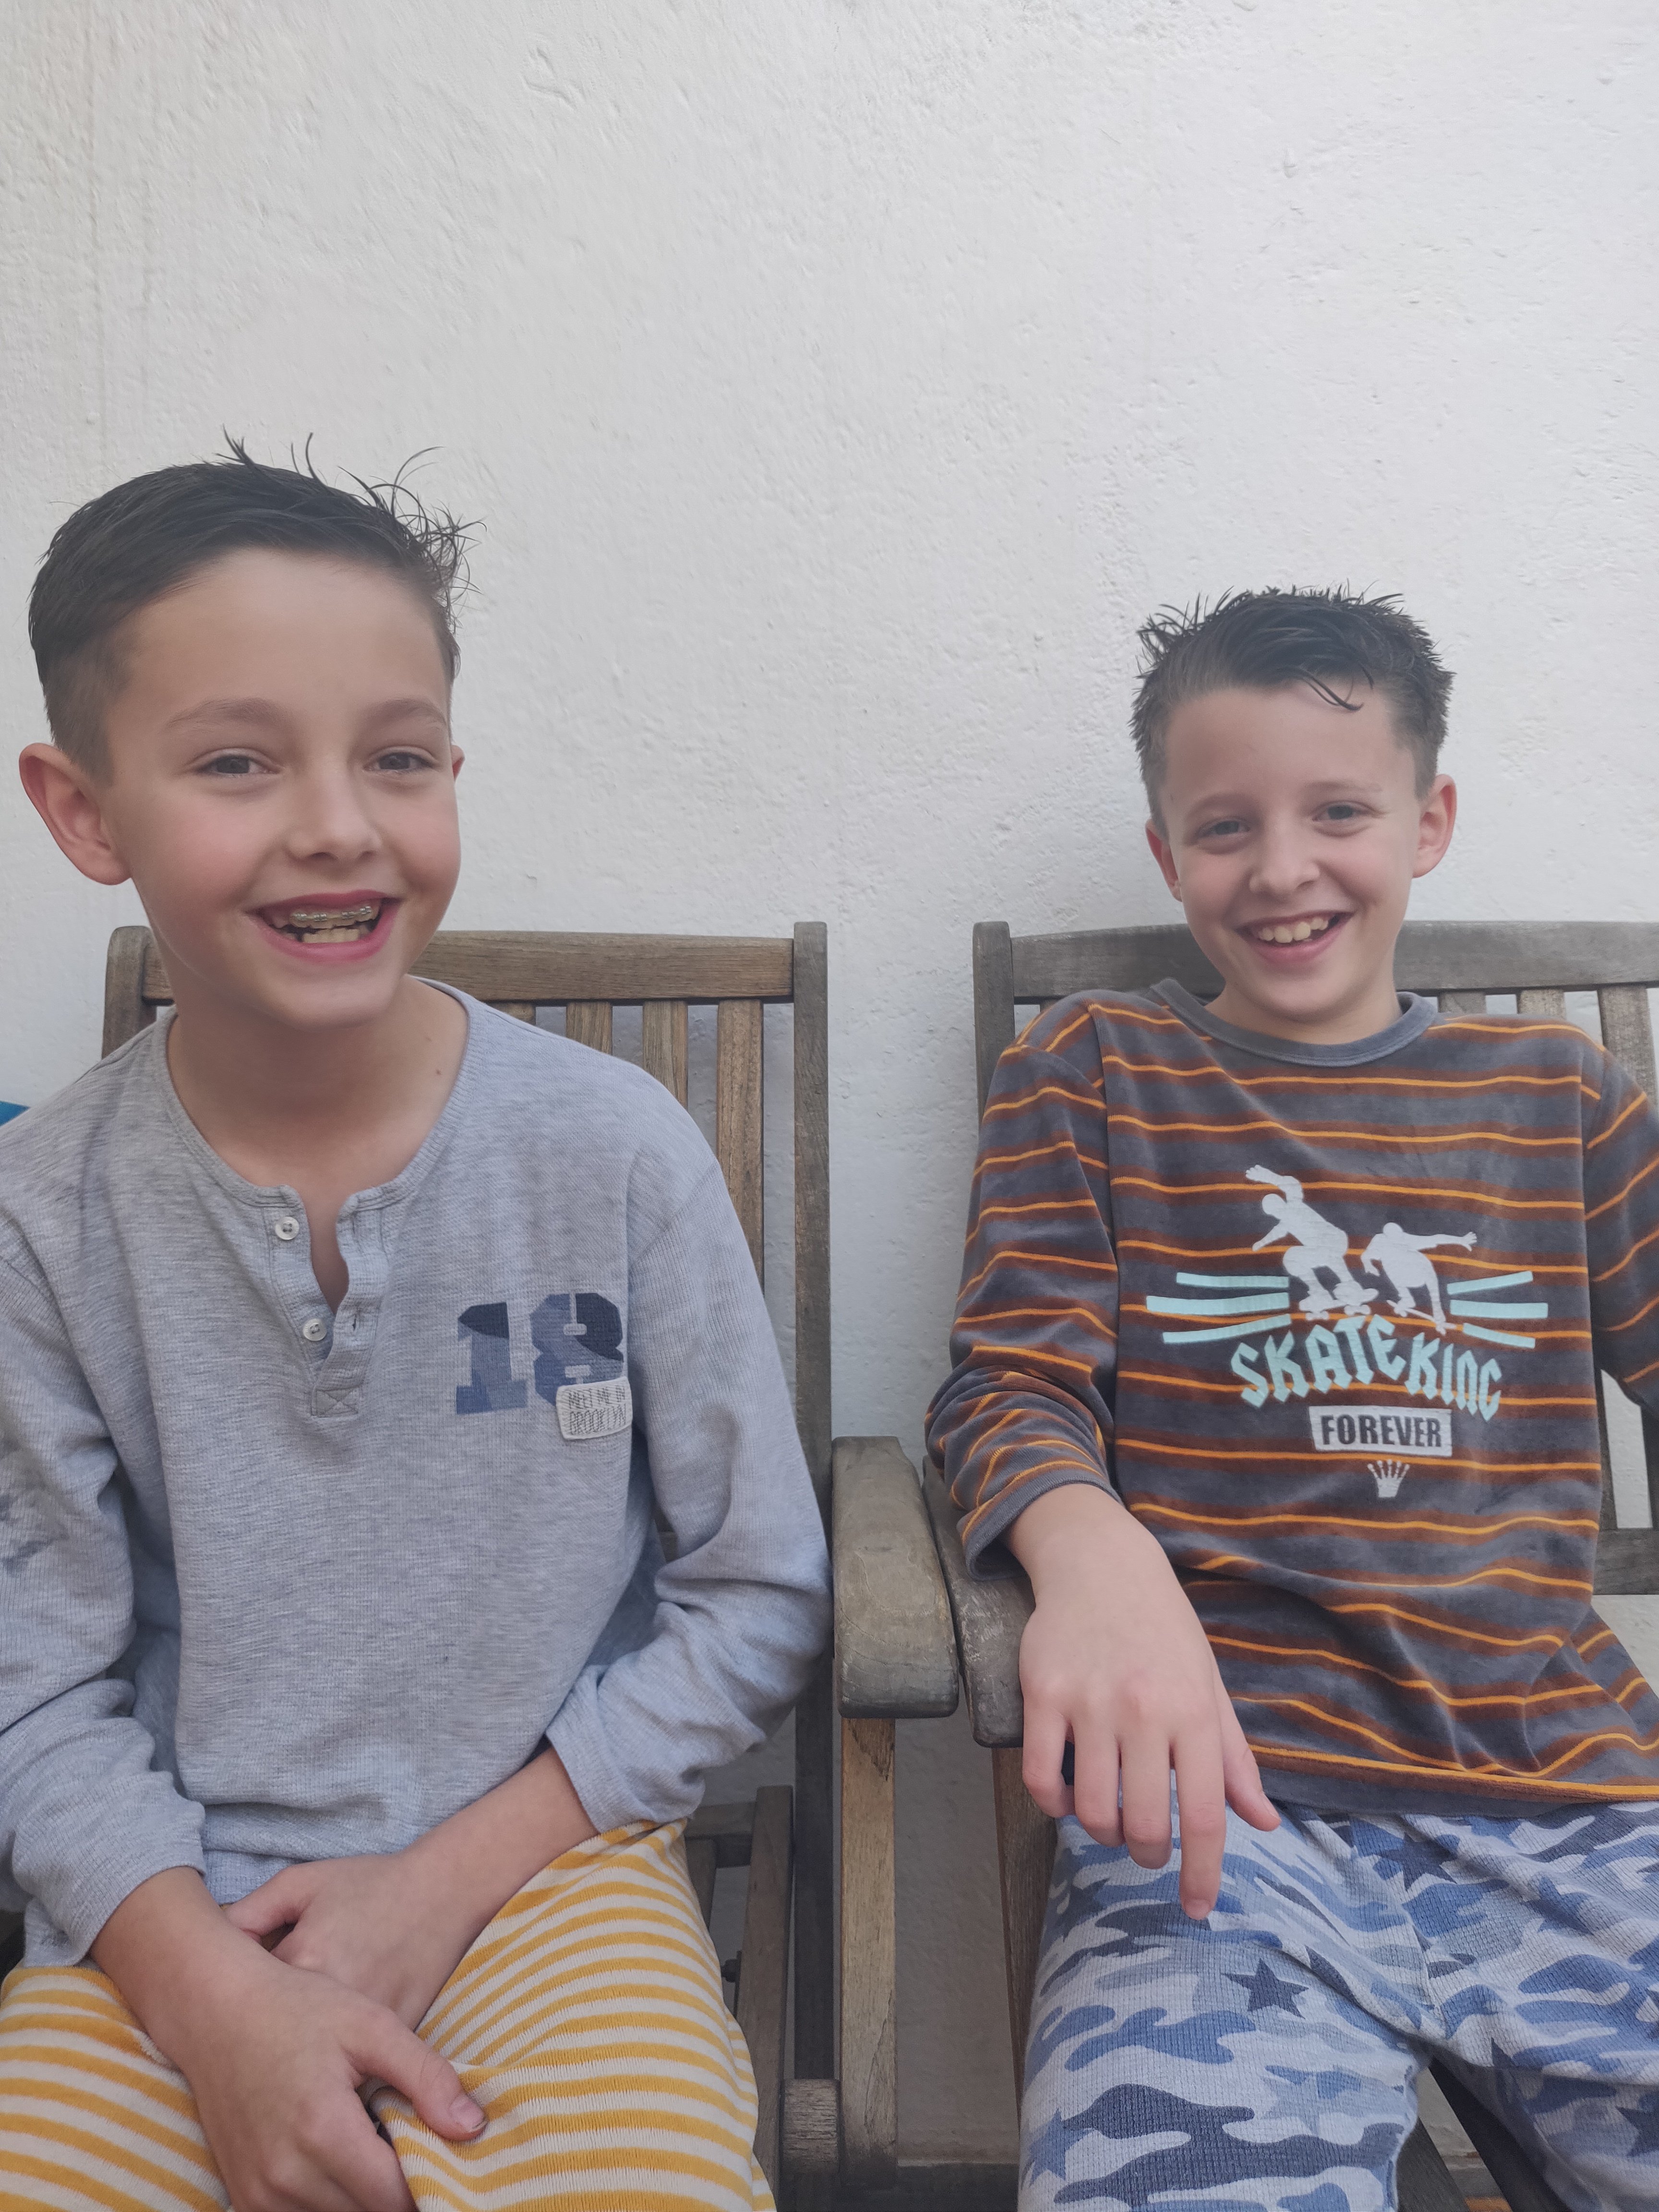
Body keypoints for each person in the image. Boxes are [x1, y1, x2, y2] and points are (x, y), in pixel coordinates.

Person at [0, 448, 830, 2212]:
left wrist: (450, 1876)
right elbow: (35, 1684)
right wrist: (214, 2004)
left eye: (397, 756)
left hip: (557, 1874)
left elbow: (758, 1591)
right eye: (238, 762)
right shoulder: (42, 1220)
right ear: (84, 813)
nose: (338, 825)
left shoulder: (614, 1156)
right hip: (167, 1915)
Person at [926, 589, 1659, 2210]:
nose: (1281, 868)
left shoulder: (1558, 1100)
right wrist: (1092, 1555)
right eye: (1225, 826)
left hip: (1571, 1799)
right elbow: (1008, 1387)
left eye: (1338, 812)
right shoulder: (1097, 1074)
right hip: (1224, 1811)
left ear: (1428, 822)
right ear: (1165, 850)